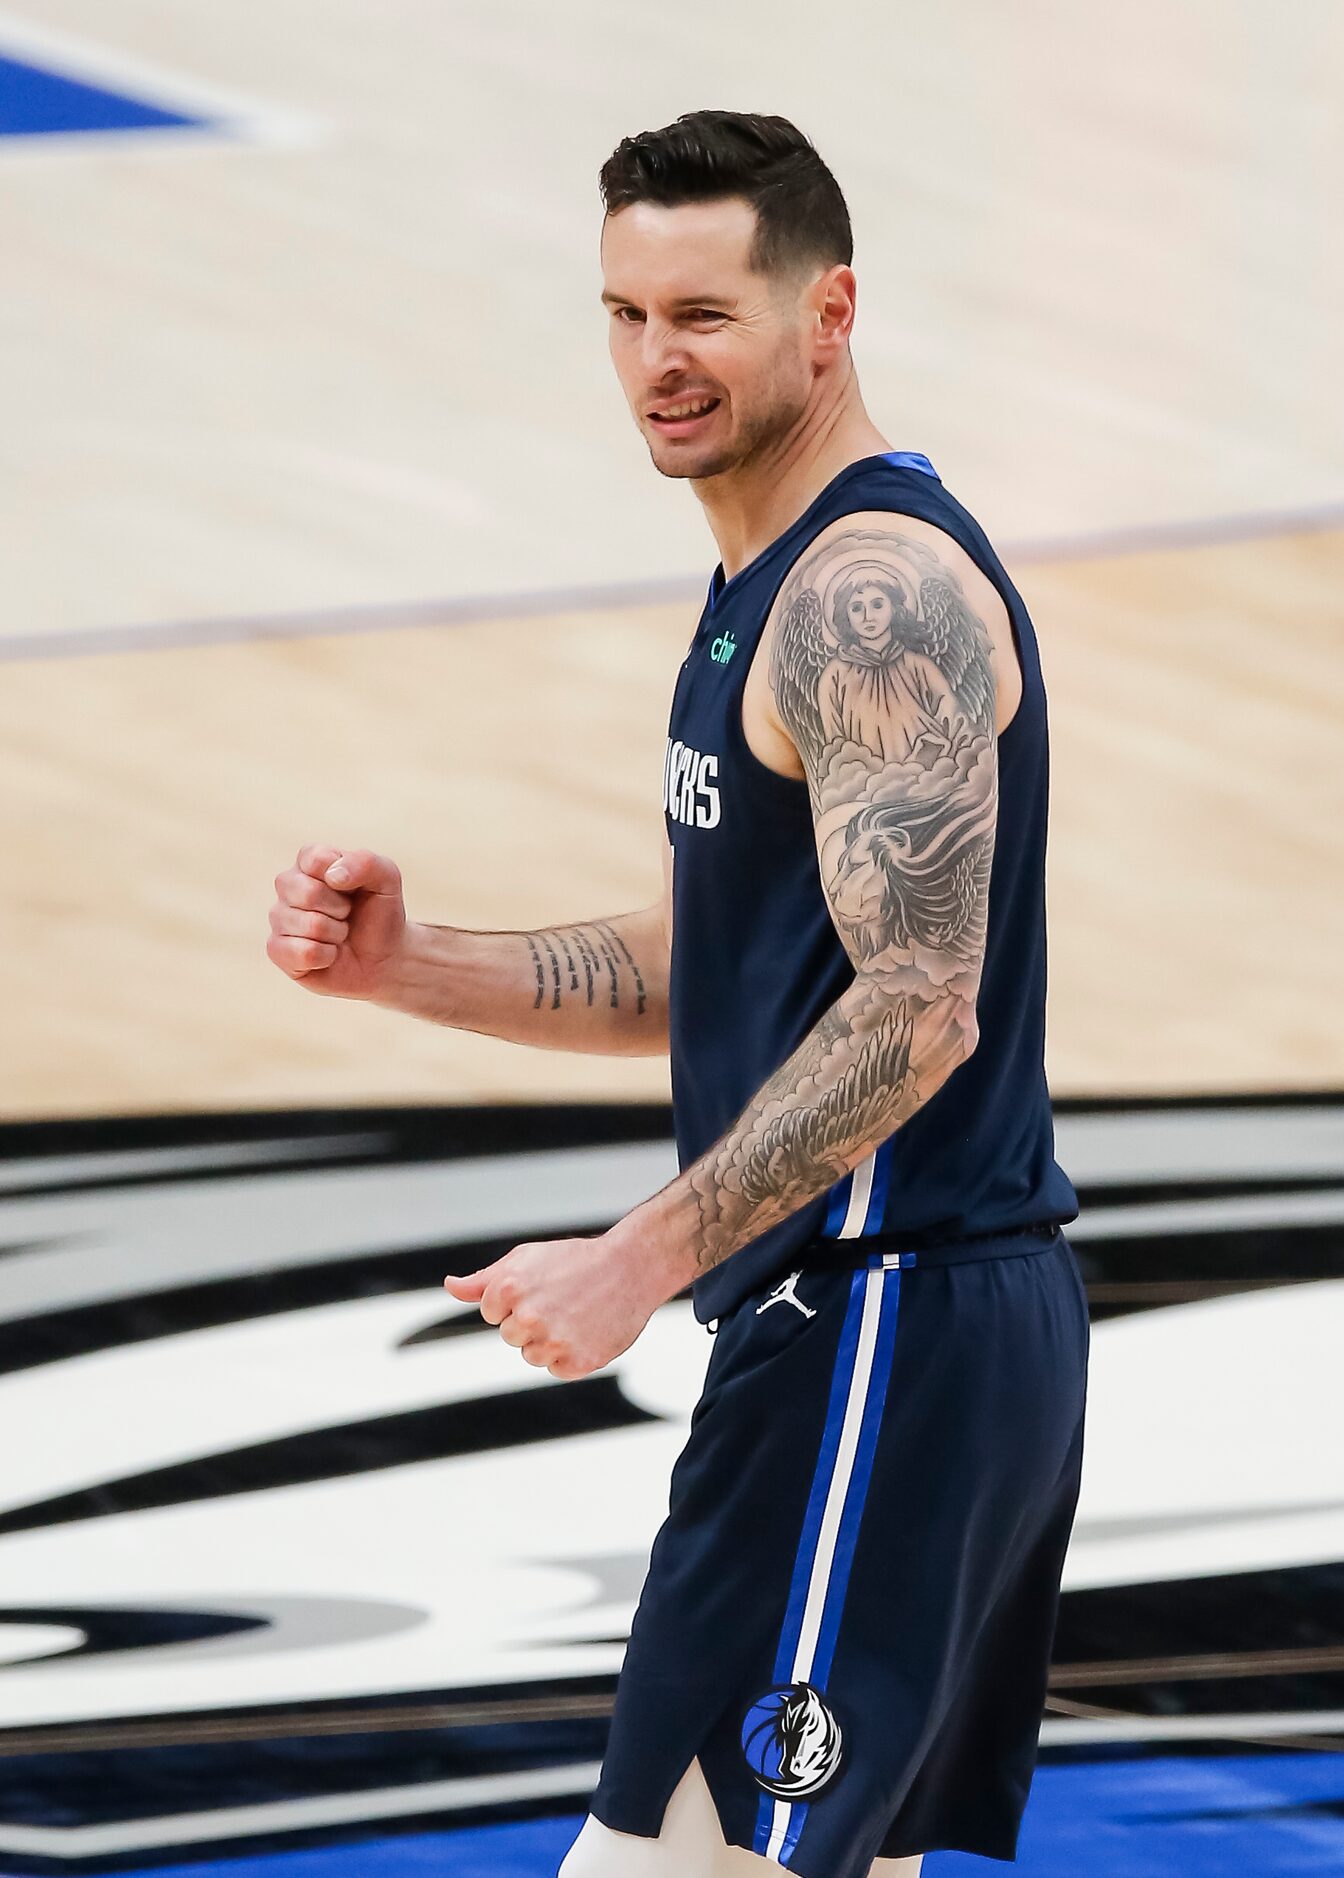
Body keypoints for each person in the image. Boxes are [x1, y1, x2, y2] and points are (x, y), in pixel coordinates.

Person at [266, 110, 1089, 1878]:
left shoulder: (870, 591)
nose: (659, 363)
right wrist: (415, 963)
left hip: (888, 1325)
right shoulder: (763, 582)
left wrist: (639, 1256)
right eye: (629, 316)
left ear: (830, 309)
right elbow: (713, 964)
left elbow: (918, 1003)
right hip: (889, 1327)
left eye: (704, 314)